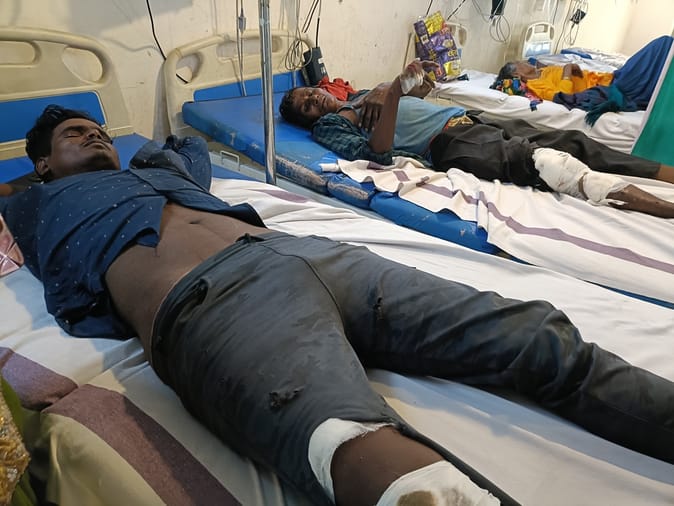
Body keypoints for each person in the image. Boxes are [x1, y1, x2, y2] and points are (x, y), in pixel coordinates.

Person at [2, 105, 674, 506]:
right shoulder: (33, 203)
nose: (95, 136)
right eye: (76, 135)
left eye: (99, 129)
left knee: (539, 337)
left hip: (316, 256)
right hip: (210, 299)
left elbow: (189, 149)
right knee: (351, 446)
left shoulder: (157, 170)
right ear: (41, 166)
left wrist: (142, 153)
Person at [279, 60, 674, 219]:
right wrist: (394, 91)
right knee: (552, 164)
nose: (315, 100)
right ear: (307, 120)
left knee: (574, 140)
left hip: (471, 120)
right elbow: (377, 154)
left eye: (311, 93)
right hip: (449, 144)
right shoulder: (331, 126)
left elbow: (419, 97)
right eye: (307, 106)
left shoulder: (365, 94)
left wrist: (416, 80)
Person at [494, 35, 674, 121]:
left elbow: (570, 72)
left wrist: (567, 68)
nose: (523, 61)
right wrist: (567, 70)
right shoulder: (537, 85)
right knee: (663, 45)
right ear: (517, 74)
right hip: (616, 86)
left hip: (611, 77)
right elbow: (563, 94)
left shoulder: (543, 71)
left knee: (663, 55)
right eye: (519, 63)